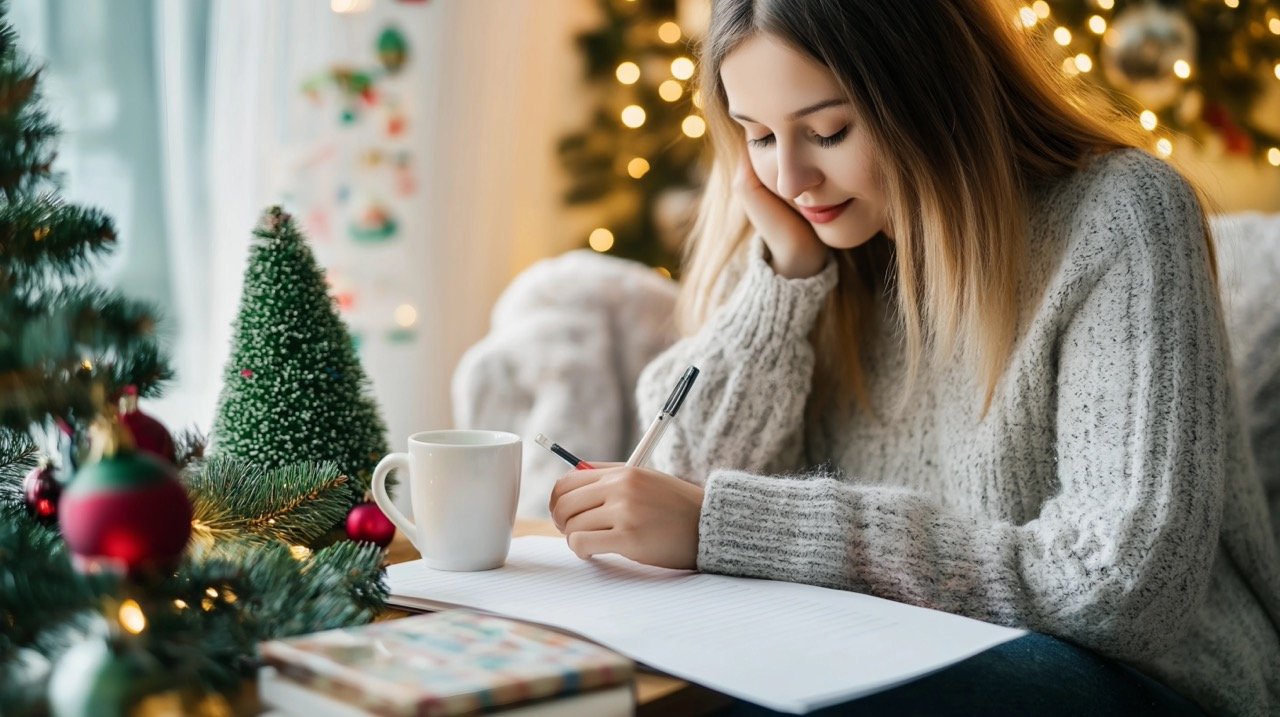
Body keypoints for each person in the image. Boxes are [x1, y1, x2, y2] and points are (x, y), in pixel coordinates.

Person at [547, 0, 1280, 714]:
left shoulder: (1120, 217)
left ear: (927, 95)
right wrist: (785, 288)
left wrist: (732, 524)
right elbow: (680, 483)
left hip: (1140, 677)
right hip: (884, 647)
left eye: (828, 131)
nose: (791, 178)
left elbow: (1122, 587)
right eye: (758, 136)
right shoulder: (801, 239)